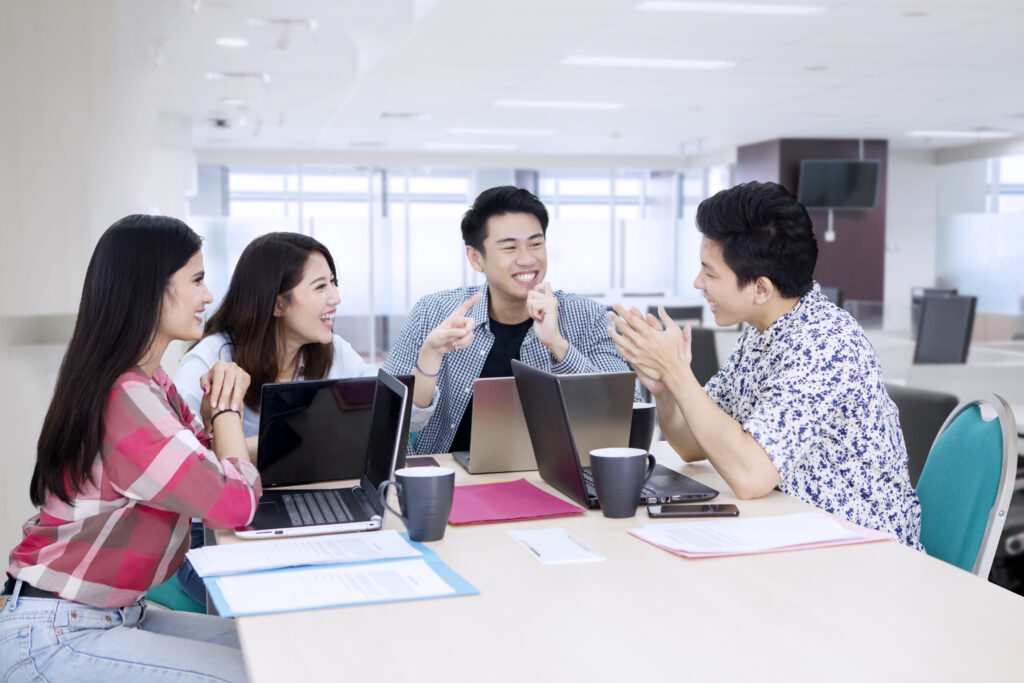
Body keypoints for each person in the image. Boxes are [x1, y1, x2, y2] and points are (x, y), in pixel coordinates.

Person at [0, 215, 260, 682]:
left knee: (272, 655)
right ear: (150, 290)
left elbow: (204, 464)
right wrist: (226, 411)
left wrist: (222, 423)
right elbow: (232, 504)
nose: (208, 296)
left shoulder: (147, 381)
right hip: (56, 635)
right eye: (197, 280)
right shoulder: (127, 398)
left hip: (109, 615)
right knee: (257, 674)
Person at [608, 181, 922, 549]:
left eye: (710, 273)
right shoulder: (762, 332)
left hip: (862, 548)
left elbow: (750, 476)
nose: (698, 283)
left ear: (760, 289)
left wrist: (679, 372)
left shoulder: (825, 343)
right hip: (796, 527)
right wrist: (667, 387)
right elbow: (693, 445)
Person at [173, 231, 455, 603]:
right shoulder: (210, 361)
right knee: (292, 595)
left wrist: (431, 354)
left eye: (334, 283)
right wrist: (290, 443)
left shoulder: (332, 351)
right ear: (276, 304)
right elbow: (181, 469)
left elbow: (399, 420)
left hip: (301, 514)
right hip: (207, 537)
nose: (336, 298)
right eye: (320, 286)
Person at [384, 185, 635, 456]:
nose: (527, 259)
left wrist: (558, 345)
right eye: (510, 247)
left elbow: (626, 415)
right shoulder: (433, 312)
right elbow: (391, 418)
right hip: (452, 481)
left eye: (536, 244)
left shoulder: (587, 317)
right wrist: (430, 355)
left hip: (553, 480)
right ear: (475, 257)